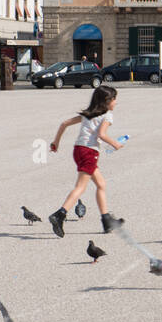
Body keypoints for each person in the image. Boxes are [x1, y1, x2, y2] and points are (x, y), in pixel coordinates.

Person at [47, 85, 126, 238]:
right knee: (80, 187)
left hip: (78, 150)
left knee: (101, 184)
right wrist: (115, 144)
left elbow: (64, 124)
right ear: (107, 101)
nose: (116, 102)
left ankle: (106, 219)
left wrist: (56, 142)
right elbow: (102, 134)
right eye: (114, 99)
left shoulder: (88, 114)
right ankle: (60, 215)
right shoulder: (107, 115)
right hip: (89, 152)